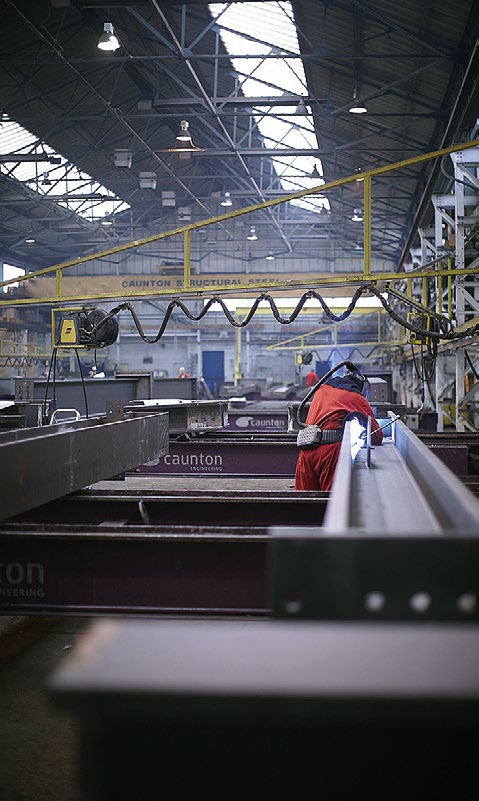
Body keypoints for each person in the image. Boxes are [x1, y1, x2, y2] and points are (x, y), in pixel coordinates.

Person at [295, 364, 383, 491]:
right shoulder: (356, 397)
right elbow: (377, 436)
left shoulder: (322, 390)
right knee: (332, 503)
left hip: (306, 449)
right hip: (328, 452)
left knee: (304, 503)